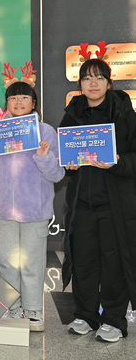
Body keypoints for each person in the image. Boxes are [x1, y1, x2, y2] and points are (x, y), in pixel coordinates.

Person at [59, 48, 136, 342]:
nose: (93, 83)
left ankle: (114, 320)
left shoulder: (126, 116)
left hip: (115, 205)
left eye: (99, 78)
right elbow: (66, 161)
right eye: (87, 78)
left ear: (109, 83)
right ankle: (86, 315)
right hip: (82, 204)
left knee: (114, 263)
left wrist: (118, 161)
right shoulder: (72, 116)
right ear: (80, 84)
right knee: (83, 261)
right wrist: (68, 165)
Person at [0, 75, 64, 332]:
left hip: (35, 211)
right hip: (4, 209)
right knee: (7, 262)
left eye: (24, 97)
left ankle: (33, 310)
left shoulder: (46, 132)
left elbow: (57, 174)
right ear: (7, 103)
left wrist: (43, 156)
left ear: (34, 102)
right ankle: (11, 308)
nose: (19, 102)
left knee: (32, 263)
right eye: (13, 98)